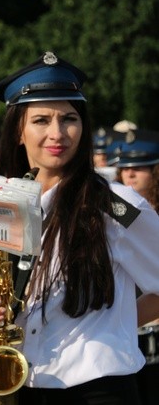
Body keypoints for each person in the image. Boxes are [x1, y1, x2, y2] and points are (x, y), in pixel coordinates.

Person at [0, 51, 159, 404]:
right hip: (22, 387)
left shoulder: (118, 206)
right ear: (18, 132)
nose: (57, 133)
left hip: (99, 391)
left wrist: (115, 328)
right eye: (41, 120)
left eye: (69, 118)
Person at [108, 128, 159, 405]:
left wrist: (121, 322)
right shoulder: (113, 209)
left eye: (140, 167)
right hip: (126, 338)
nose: (129, 174)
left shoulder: (127, 209)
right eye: (125, 168)